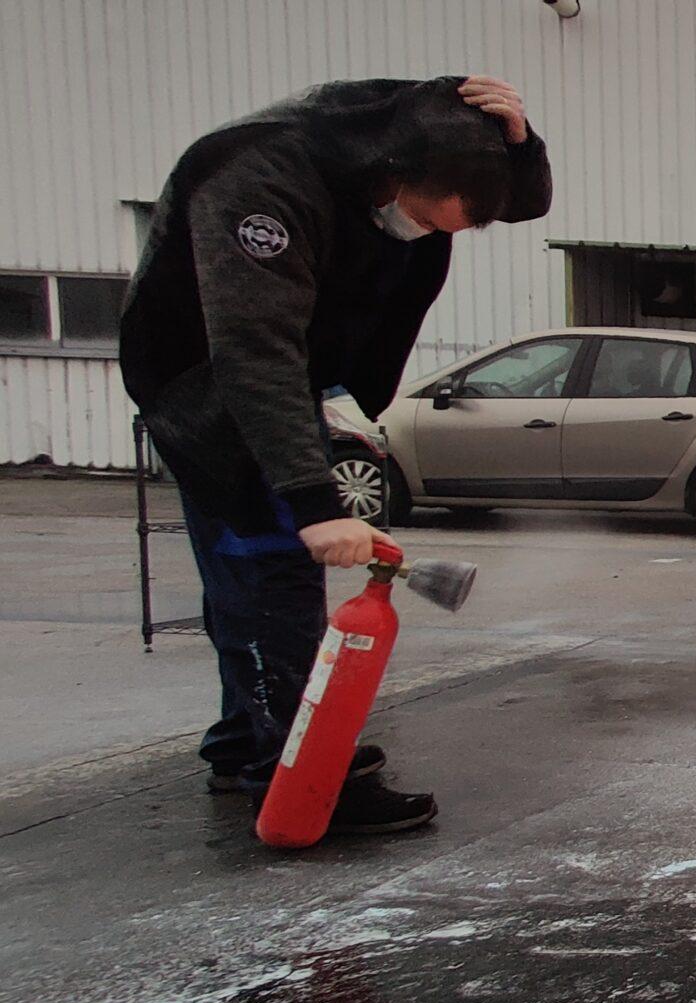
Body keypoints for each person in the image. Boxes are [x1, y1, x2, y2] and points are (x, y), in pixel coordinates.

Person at [119, 76, 551, 834]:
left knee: (249, 580)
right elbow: (255, 352)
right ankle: (301, 773)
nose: (424, 234)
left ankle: (243, 742)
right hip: (208, 389)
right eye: (423, 219)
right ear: (388, 175)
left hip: (294, 377)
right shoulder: (257, 182)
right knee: (271, 570)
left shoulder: (422, 151)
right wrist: (314, 504)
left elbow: (522, 201)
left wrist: (522, 146)